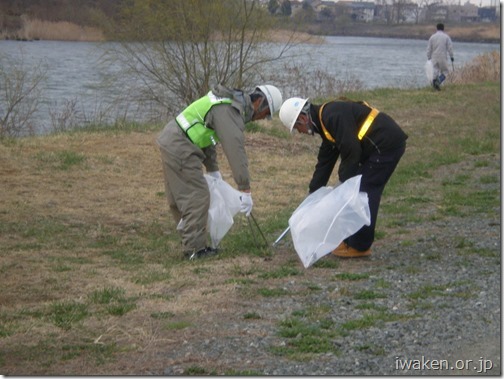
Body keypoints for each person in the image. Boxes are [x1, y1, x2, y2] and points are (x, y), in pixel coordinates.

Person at [157, 84, 282, 260]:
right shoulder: (229, 111)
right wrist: (244, 188)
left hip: (173, 139)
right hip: (180, 145)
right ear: (259, 102)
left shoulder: (225, 103)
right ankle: (194, 250)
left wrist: (213, 169)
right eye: (266, 113)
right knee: (197, 196)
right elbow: (235, 150)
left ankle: (190, 241)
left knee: (179, 196)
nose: (262, 118)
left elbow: (207, 135)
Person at [279, 97, 408, 258]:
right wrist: (313, 193)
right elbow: (325, 162)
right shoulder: (325, 122)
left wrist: (344, 182)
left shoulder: (332, 116)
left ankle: (359, 246)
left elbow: (351, 151)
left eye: (297, 128)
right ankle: (351, 241)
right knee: (358, 190)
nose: (300, 132)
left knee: (364, 192)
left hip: (385, 144)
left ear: (303, 119)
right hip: (378, 146)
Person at [427, 23, 454, 91]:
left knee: (435, 71)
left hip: (434, 57)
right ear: (443, 28)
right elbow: (450, 47)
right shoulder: (446, 37)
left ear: (437, 28)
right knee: (445, 71)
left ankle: (435, 86)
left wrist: (428, 56)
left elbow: (429, 48)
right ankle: (438, 82)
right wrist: (451, 56)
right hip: (443, 56)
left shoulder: (432, 37)